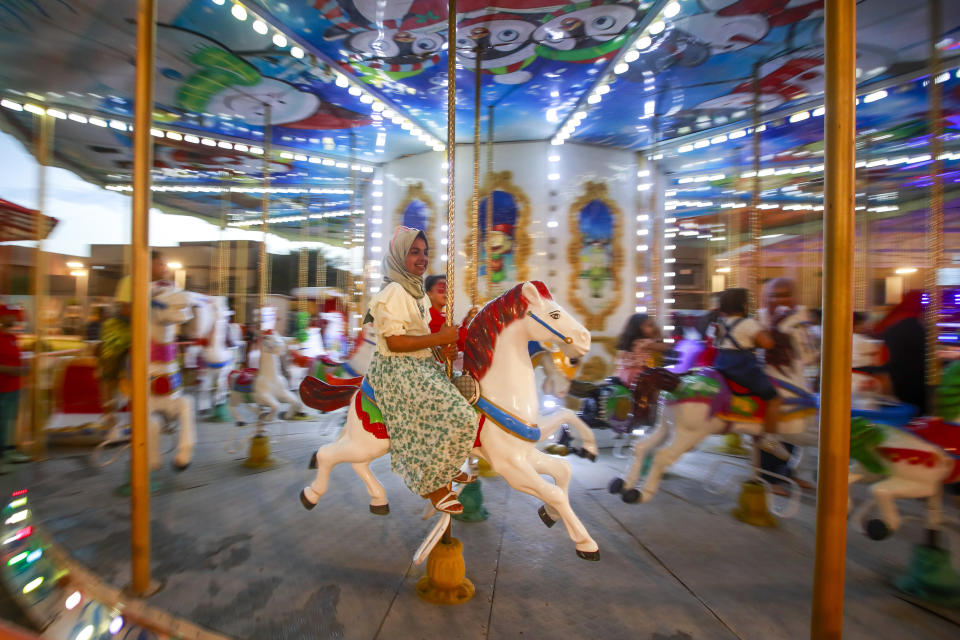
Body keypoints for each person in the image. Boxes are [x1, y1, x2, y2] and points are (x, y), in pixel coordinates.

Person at [364, 227, 478, 514]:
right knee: (459, 413)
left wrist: (443, 350)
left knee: (471, 399)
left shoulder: (416, 292)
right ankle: (433, 485)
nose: (422, 258)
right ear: (400, 255)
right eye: (414, 252)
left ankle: (446, 466)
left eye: (425, 252)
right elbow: (395, 341)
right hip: (397, 367)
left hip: (420, 361)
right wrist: (439, 339)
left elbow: (422, 338)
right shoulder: (393, 292)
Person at [758, 278, 818, 493]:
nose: (781, 300)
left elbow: (807, 350)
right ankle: (769, 475)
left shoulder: (798, 317)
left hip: (795, 377)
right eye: (775, 295)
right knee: (778, 425)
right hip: (772, 377)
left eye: (785, 295)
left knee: (798, 424)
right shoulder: (762, 317)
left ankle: (786, 470)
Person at [714, 288, 782, 436]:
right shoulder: (749, 323)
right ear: (744, 305)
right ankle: (770, 437)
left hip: (721, 363)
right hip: (741, 366)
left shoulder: (722, 323)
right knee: (773, 398)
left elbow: (718, 342)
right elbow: (767, 344)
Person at [872, 290, 927, 413]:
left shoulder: (896, 318)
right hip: (912, 376)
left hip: (896, 374)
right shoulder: (912, 324)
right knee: (914, 410)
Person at [0, 305, 28, 473]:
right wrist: (12, 370)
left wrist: (24, 366)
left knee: (10, 422)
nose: (15, 319)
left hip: (13, 387)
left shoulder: (12, 338)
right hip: (2, 387)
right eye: (11, 316)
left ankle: (9, 451)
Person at [613, 313, 671, 388]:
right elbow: (664, 347)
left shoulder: (630, 342)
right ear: (639, 328)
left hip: (622, 374)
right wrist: (658, 335)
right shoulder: (645, 343)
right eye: (650, 325)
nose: (653, 328)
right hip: (637, 375)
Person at [424, 274, 476, 351]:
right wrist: (469, 325)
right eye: (441, 289)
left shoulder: (444, 316)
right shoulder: (429, 316)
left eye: (448, 290)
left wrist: (467, 321)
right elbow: (458, 341)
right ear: (429, 294)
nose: (446, 293)